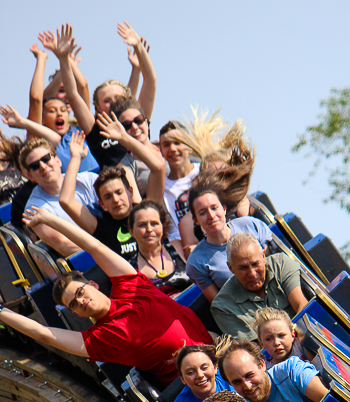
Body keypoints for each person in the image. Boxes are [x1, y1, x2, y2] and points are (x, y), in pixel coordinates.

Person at [3, 207, 211, 385]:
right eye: (74, 303)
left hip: (214, 350)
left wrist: (50, 220)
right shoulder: (101, 340)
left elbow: (95, 247)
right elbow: (43, 333)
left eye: (80, 292)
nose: (81, 301)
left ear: (92, 284)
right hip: (194, 382)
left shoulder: (131, 286)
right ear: (76, 313)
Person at [39, 23, 156, 170]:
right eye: (107, 100)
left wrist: (138, 47)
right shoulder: (96, 131)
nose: (114, 103)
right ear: (98, 107)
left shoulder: (137, 121)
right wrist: (64, 59)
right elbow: (73, 95)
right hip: (117, 189)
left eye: (118, 97)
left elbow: (150, 80)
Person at [59, 128, 164, 261]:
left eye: (119, 192)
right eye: (108, 196)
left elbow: (158, 168)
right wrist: (75, 158)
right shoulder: (102, 228)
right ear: (102, 204)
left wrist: (125, 138)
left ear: (130, 192)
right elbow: (65, 201)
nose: (115, 199)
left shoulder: (147, 211)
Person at [210, 233, 309, 338]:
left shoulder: (281, 264)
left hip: (304, 336)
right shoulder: (222, 306)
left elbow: (301, 306)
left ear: (263, 256)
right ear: (230, 268)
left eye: (255, 264)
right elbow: (255, 348)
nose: (252, 273)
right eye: (243, 268)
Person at [185, 183, 272, 303]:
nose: (211, 215)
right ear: (196, 220)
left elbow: (274, 265)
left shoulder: (252, 225)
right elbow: (221, 305)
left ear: (224, 209)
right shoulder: (197, 261)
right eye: (203, 213)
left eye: (214, 208)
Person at [18, 137, 98, 256]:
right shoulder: (34, 209)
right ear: (30, 176)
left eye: (46, 159)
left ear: (58, 160)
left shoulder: (89, 180)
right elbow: (63, 245)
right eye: (35, 166)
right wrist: (104, 252)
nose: (43, 167)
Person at [219, 339, 328, 402]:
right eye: (237, 382)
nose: (247, 385)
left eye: (249, 375)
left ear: (262, 365)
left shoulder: (292, 371)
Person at [0, 101, 98, 174]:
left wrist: (22, 122)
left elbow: (80, 89)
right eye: (52, 111)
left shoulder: (76, 132)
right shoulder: (44, 146)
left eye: (63, 110)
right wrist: (22, 122)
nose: (59, 113)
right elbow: (36, 99)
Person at [126, 200, 189, 292]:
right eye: (142, 225)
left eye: (154, 223)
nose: (149, 229)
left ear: (162, 226)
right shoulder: (130, 269)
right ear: (131, 231)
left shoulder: (179, 247)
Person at [158, 121, 200, 257]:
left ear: (190, 146)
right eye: (166, 145)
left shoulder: (204, 171)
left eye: (177, 142)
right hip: (185, 251)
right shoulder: (161, 187)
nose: (172, 149)